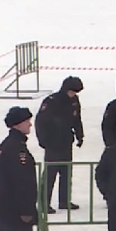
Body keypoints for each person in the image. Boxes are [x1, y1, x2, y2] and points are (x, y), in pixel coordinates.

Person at [34, 76, 84, 213]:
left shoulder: (74, 101)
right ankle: (44, 203)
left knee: (66, 172)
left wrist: (80, 135)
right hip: (53, 142)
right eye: (72, 92)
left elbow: (76, 119)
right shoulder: (52, 101)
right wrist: (43, 140)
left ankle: (64, 200)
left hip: (66, 141)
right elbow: (40, 121)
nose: (73, 95)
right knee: (50, 173)